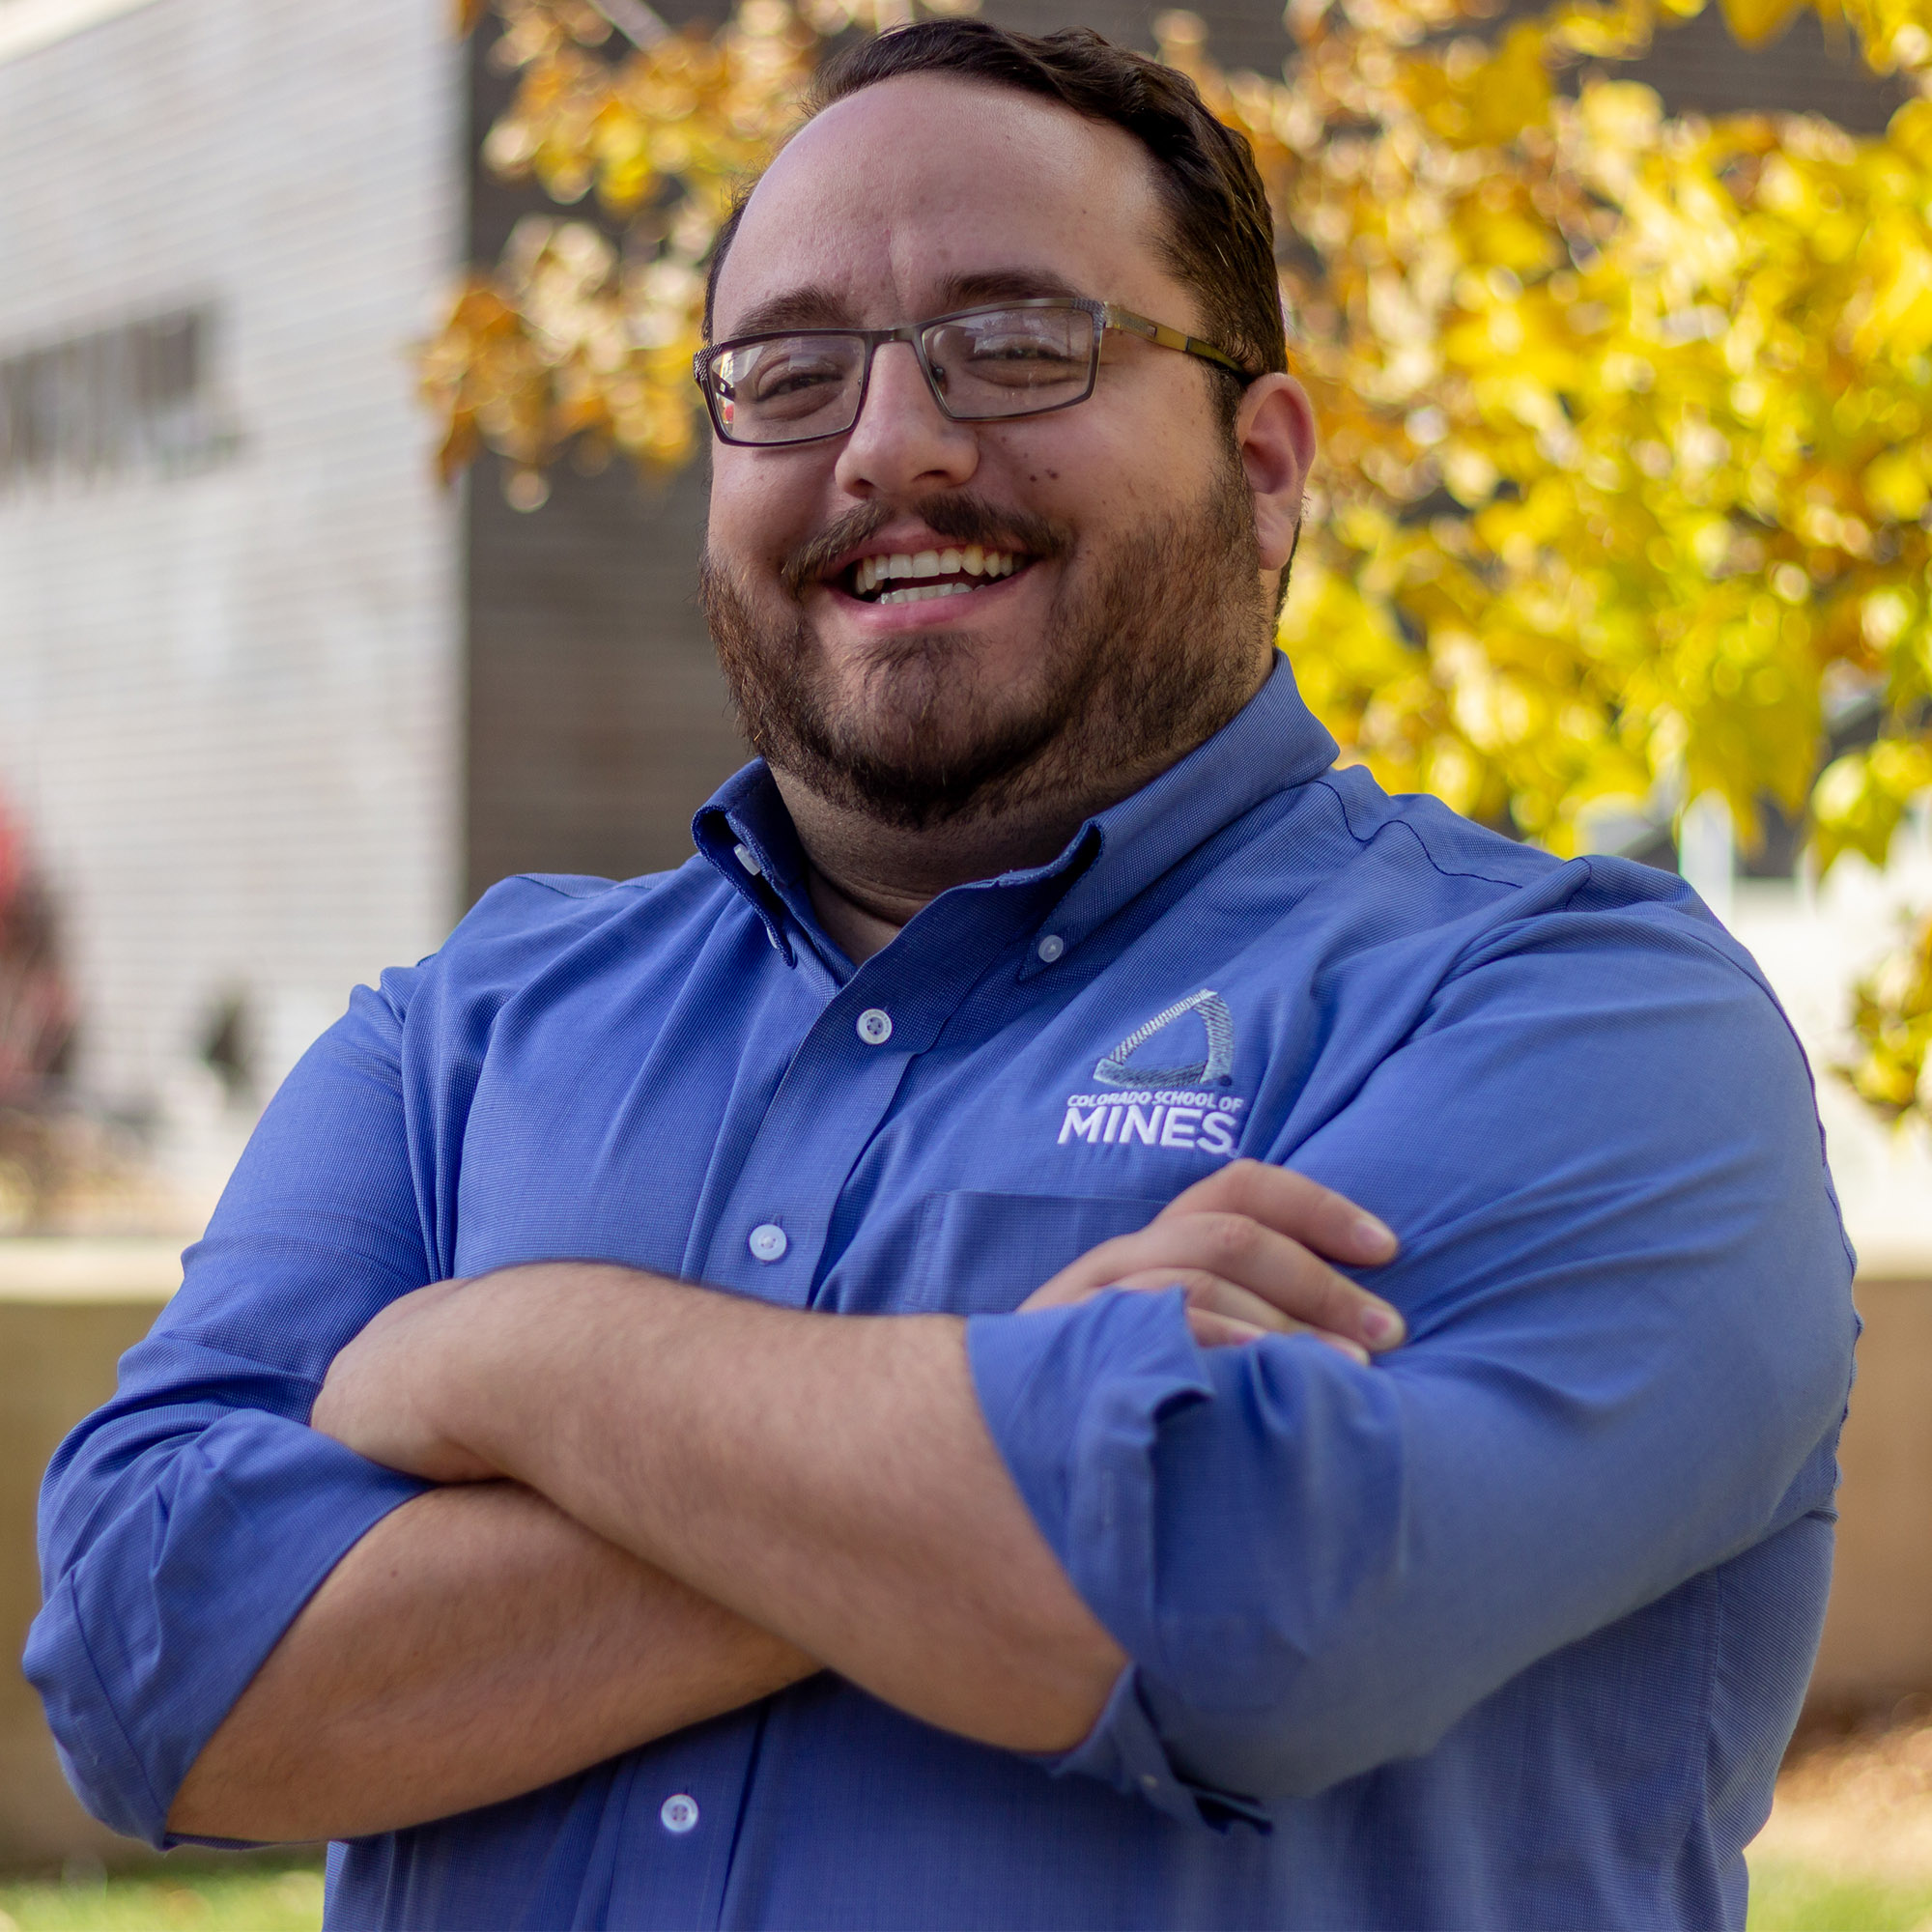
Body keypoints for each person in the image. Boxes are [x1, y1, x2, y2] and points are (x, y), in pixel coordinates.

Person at [30, 20, 1856, 1930]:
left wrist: (501, 1354)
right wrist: (999, 1420)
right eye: (789, 371)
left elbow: (1240, 1601)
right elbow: (151, 1663)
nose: (890, 445)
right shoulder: (467, 1035)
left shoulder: (1577, 1015)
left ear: (1263, 469)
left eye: (1017, 344)